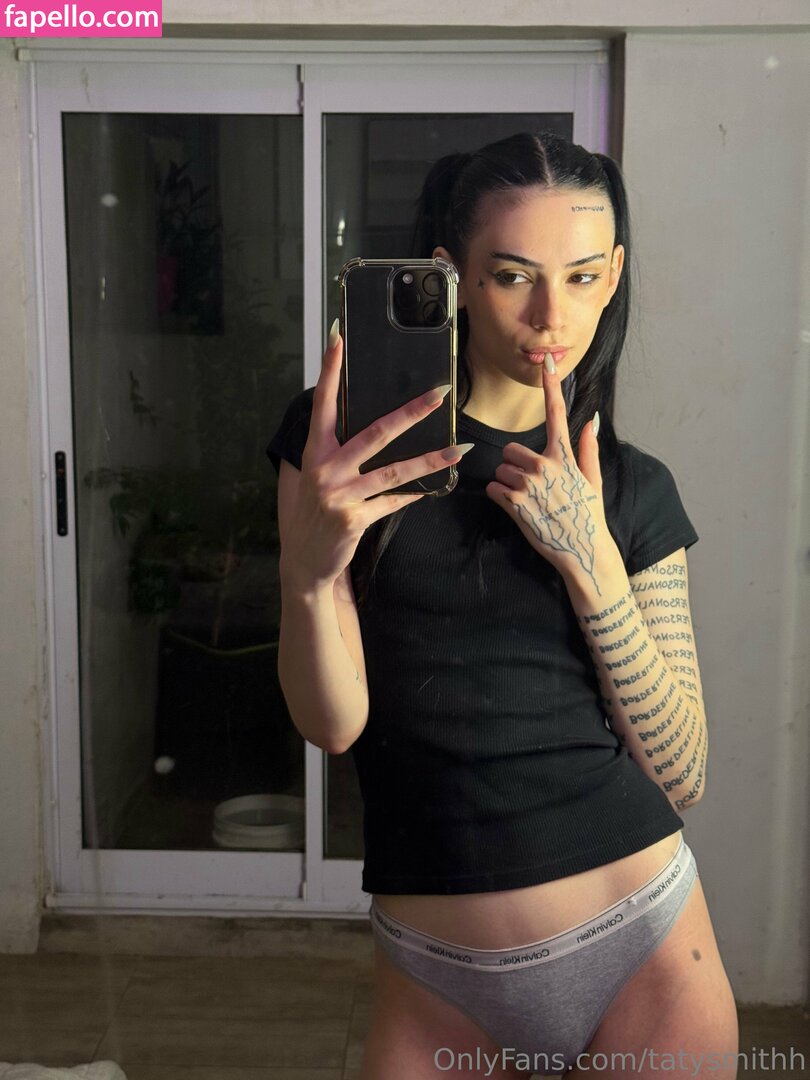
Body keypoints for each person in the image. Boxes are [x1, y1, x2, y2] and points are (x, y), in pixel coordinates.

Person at [266, 132, 738, 1079]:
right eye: (514, 275)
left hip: (644, 947)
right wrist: (309, 577)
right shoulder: (344, 455)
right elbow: (333, 725)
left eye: (582, 277)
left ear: (614, 277)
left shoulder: (633, 487)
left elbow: (681, 771)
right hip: (435, 974)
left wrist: (592, 563)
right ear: (454, 276)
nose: (551, 316)